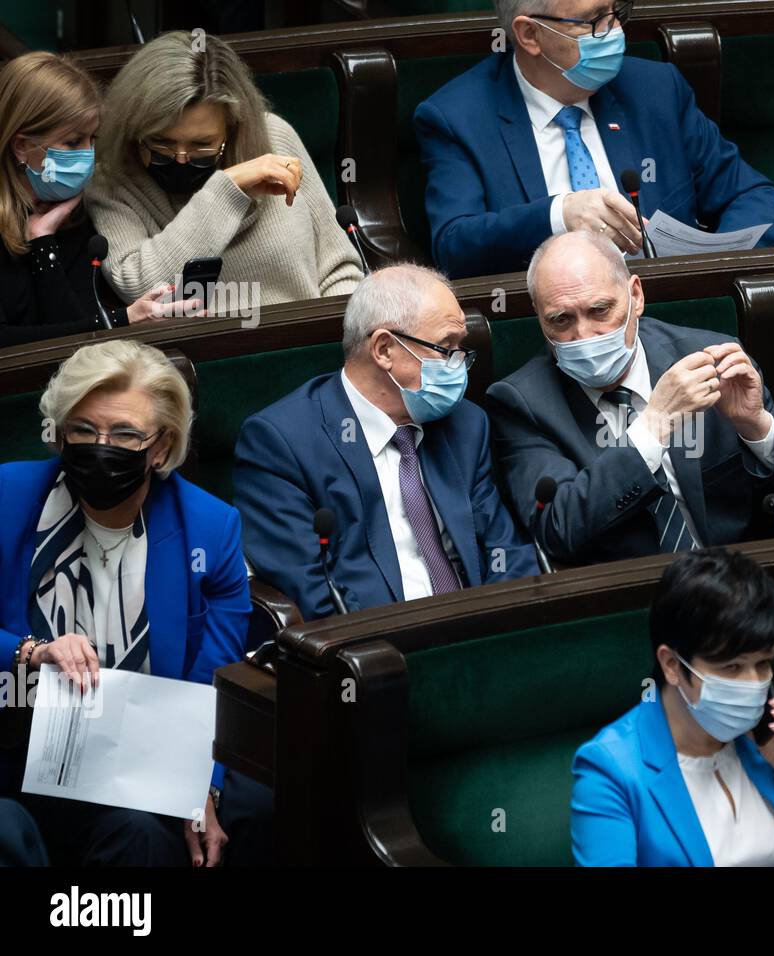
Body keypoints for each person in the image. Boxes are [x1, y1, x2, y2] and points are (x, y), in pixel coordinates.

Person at [0, 340, 253, 866]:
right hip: (17, 741)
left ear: (160, 447)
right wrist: (30, 651)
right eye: (84, 430)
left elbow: (216, 681)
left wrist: (200, 786)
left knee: (149, 834)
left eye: (125, 434)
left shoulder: (209, 528)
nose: (101, 446)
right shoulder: (9, 496)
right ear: (61, 432)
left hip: (138, 756)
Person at [485, 231, 774, 565]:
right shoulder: (521, 403)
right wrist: (653, 426)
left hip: (738, 582)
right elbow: (556, 531)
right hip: (624, 601)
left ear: (636, 296)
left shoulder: (712, 357)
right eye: (561, 320)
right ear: (539, 318)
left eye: (600, 310)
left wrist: (756, 427)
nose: (585, 335)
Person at [234, 264, 538, 621]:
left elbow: (506, 550)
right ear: (384, 349)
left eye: (460, 349)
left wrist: (504, 630)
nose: (458, 366)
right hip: (377, 651)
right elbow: (313, 596)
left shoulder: (466, 425)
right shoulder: (281, 443)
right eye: (445, 348)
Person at [413, 0, 774, 279]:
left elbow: (758, 198)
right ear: (530, 35)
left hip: (674, 319)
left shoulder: (656, 90)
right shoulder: (456, 118)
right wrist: (559, 216)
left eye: (616, 13)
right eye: (593, 21)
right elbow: (455, 245)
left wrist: (708, 270)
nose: (614, 32)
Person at [571, 548, 774, 866]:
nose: (752, 684)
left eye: (762, 664)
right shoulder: (611, 769)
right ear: (671, 665)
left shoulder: (768, 735)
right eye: (732, 667)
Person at [86, 32, 362, 309]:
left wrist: (332, 340)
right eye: (161, 143)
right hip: (205, 350)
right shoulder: (110, 180)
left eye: (201, 145)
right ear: (134, 129)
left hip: (307, 343)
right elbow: (142, 289)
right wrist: (227, 189)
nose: (181, 159)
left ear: (232, 129)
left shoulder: (274, 138)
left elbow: (340, 270)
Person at [0, 52, 199, 347]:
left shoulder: (73, 215)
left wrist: (42, 241)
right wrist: (122, 319)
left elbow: (75, 344)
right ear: (22, 146)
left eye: (93, 139)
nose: (88, 155)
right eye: (73, 142)